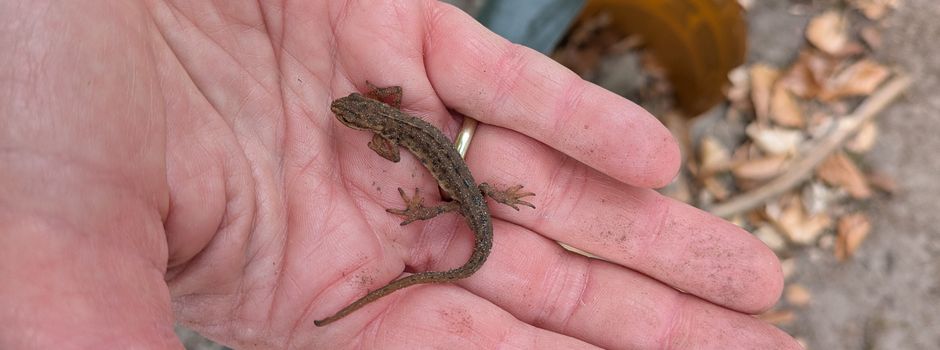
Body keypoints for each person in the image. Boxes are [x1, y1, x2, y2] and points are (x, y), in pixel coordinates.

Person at [0, 1, 801, 349]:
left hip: (462, 193)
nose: (347, 121)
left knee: (463, 213)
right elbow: (383, 113)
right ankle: (462, 219)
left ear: (366, 121)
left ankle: (453, 225)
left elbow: (388, 140)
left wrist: (425, 210)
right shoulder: (379, 111)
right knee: (468, 207)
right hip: (462, 185)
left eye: (349, 120)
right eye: (353, 119)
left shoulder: (386, 137)